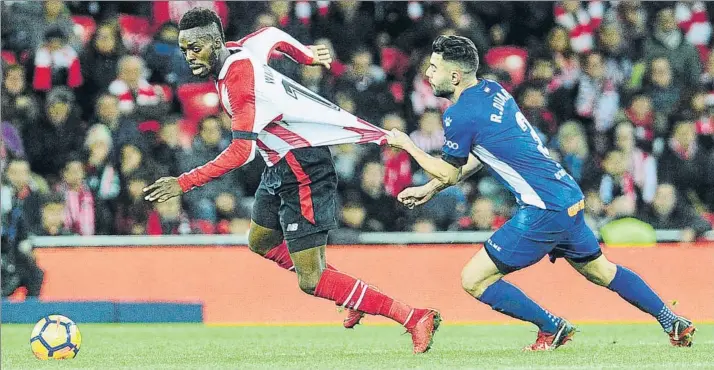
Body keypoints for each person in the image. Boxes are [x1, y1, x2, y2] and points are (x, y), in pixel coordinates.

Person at [142, 8, 438, 353]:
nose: (189, 56)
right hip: (279, 165)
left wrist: (184, 182)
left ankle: (413, 316)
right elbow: (272, 36)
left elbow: (241, 152)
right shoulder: (241, 48)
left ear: (216, 42)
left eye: (196, 48)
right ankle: (346, 290)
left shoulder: (239, 82)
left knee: (311, 281)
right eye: (184, 50)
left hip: (304, 171)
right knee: (261, 241)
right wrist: (308, 55)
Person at [387, 35, 696, 351]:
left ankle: (552, 327)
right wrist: (429, 187)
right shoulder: (493, 91)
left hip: (543, 207)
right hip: (566, 196)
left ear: (454, 76)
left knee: (474, 280)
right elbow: (481, 156)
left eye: (434, 68)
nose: (428, 74)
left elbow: (450, 171)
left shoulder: (458, 115)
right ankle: (671, 320)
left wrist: (408, 145)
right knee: (602, 271)